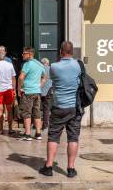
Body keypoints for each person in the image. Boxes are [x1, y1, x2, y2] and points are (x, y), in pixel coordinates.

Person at [39, 41, 82, 178]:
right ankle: (70, 168)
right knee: (73, 137)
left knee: (53, 136)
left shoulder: (54, 67)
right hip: (74, 107)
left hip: (58, 107)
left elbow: (53, 80)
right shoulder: (78, 65)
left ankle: (49, 166)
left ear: (60, 52)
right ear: (72, 52)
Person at [17, 47, 47, 141]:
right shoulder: (39, 64)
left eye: (24, 53)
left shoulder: (27, 64)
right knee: (37, 113)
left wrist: (19, 89)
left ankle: (28, 134)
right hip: (37, 92)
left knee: (26, 113)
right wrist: (39, 86)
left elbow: (21, 77)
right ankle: (38, 133)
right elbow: (45, 77)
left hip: (27, 92)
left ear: (30, 54)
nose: (22, 55)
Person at [40, 57, 52, 131]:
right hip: (49, 90)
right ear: (47, 63)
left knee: (36, 108)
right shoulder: (51, 69)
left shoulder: (40, 69)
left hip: (40, 90)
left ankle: (35, 124)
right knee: (46, 108)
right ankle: (45, 125)